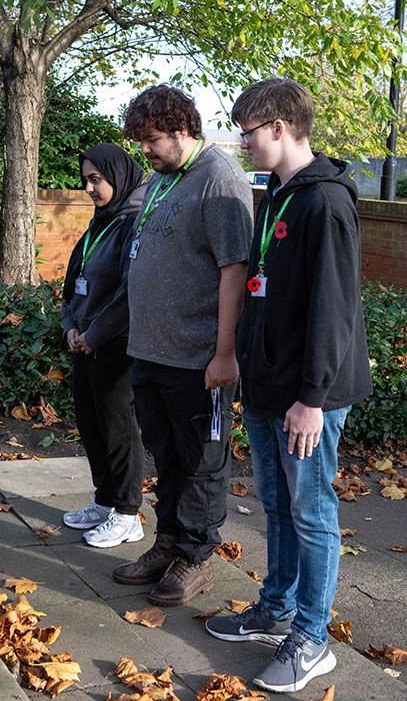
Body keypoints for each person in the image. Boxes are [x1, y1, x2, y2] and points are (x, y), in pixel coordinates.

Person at [205, 78, 373, 694]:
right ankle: (275, 608)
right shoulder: (275, 193)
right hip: (269, 384)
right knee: (276, 505)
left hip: (308, 396)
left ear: (278, 127)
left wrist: (312, 398)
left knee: (311, 511)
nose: (242, 143)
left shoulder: (325, 203)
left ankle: (312, 638)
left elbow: (334, 309)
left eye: (247, 132)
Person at [112, 84, 254, 605]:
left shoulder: (220, 178)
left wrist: (224, 355)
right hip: (151, 351)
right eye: (139, 143)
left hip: (197, 358)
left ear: (181, 130)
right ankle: (167, 542)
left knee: (201, 460)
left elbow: (234, 269)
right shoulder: (162, 178)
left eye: (151, 141)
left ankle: (195, 557)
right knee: (166, 456)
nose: (143, 151)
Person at [61, 143, 147, 548]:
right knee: (92, 427)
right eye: (86, 180)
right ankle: (105, 501)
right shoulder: (100, 222)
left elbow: (131, 292)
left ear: (118, 175)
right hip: (84, 344)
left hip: (116, 346)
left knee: (119, 432)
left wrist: (93, 336)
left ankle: (128, 514)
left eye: (97, 179)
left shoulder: (133, 223)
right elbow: (71, 285)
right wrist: (71, 329)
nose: (90, 188)